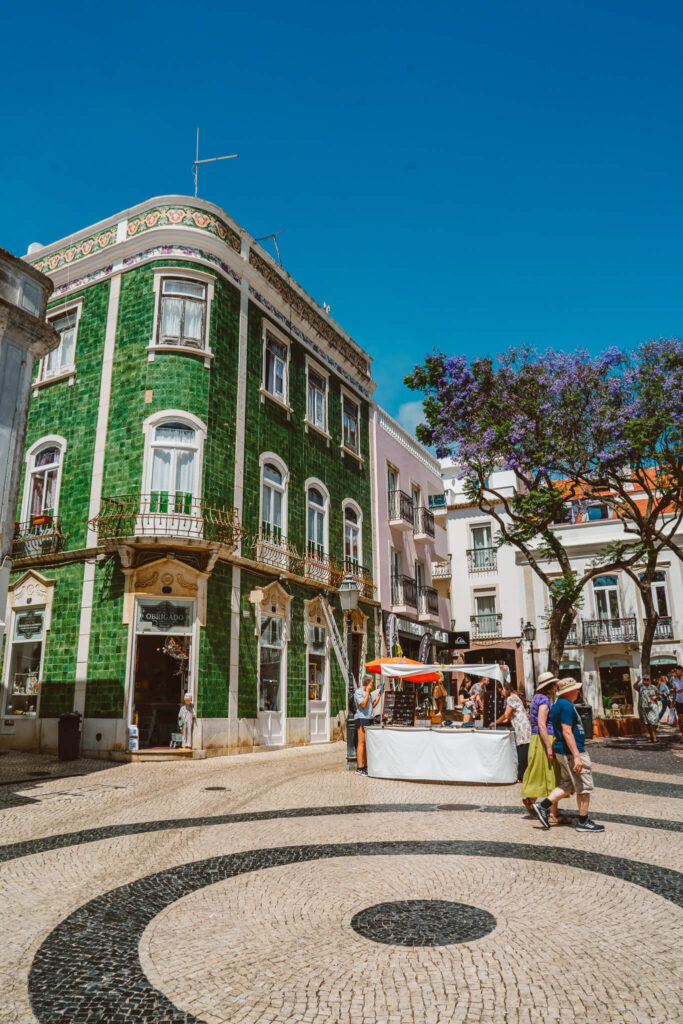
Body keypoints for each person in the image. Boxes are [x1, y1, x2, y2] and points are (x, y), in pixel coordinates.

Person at [532, 677, 605, 833]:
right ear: (569, 691)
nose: (578, 691)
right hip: (571, 751)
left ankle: (543, 806)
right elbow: (567, 731)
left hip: (562, 750)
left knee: (567, 784)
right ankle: (583, 821)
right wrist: (577, 756)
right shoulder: (565, 705)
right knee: (584, 787)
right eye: (576, 689)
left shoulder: (559, 704)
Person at [521, 672, 567, 824]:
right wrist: (548, 746)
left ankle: (533, 799)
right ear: (549, 686)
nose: (556, 687)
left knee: (540, 772)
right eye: (554, 684)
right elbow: (542, 723)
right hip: (544, 739)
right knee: (551, 774)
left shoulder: (535, 698)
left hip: (536, 739)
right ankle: (553, 813)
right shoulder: (544, 700)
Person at [491, 682, 532, 780]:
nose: (501, 693)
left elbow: (506, 715)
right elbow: (508, 718)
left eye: (501, 691)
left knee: (522, 750)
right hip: (523, 726)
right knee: (524, 749)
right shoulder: (515, 697)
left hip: (522, 727)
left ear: (506, 689)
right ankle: (524, 775)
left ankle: (521, 776)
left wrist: (495, 723)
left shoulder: (511, 698)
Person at [354, 675, 381, 776]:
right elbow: (363, 704)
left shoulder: (367, 693)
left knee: (366, 743)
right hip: (361, 718)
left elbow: (371, 706)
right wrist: (368, 692)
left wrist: (378, 696)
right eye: (372, 683)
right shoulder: (359, 692)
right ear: (367, 683)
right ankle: (359, 767)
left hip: (369, 718)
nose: (373, 684)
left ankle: (365, 766)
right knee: (361, 742)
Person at [635, 674, 660, 743]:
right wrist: (637, 681)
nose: (646, 681)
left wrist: (656, 697)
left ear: (649, 680)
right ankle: (651, 736)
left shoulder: (653, 687)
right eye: (644, 679)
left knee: (653, 722)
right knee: (646, 723)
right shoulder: (641, 686)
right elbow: (634, 687)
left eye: (647, 679)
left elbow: (659, 695)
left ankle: (654, 736)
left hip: (652, 707)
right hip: (643, 707)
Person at [670, 666, 683, 742]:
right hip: (678, 701)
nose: (676, 672)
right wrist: (672, 702)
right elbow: (674, 691)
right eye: (675, 670)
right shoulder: (674, 680)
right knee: (680, 720)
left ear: (681, 671)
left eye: (677, 670)